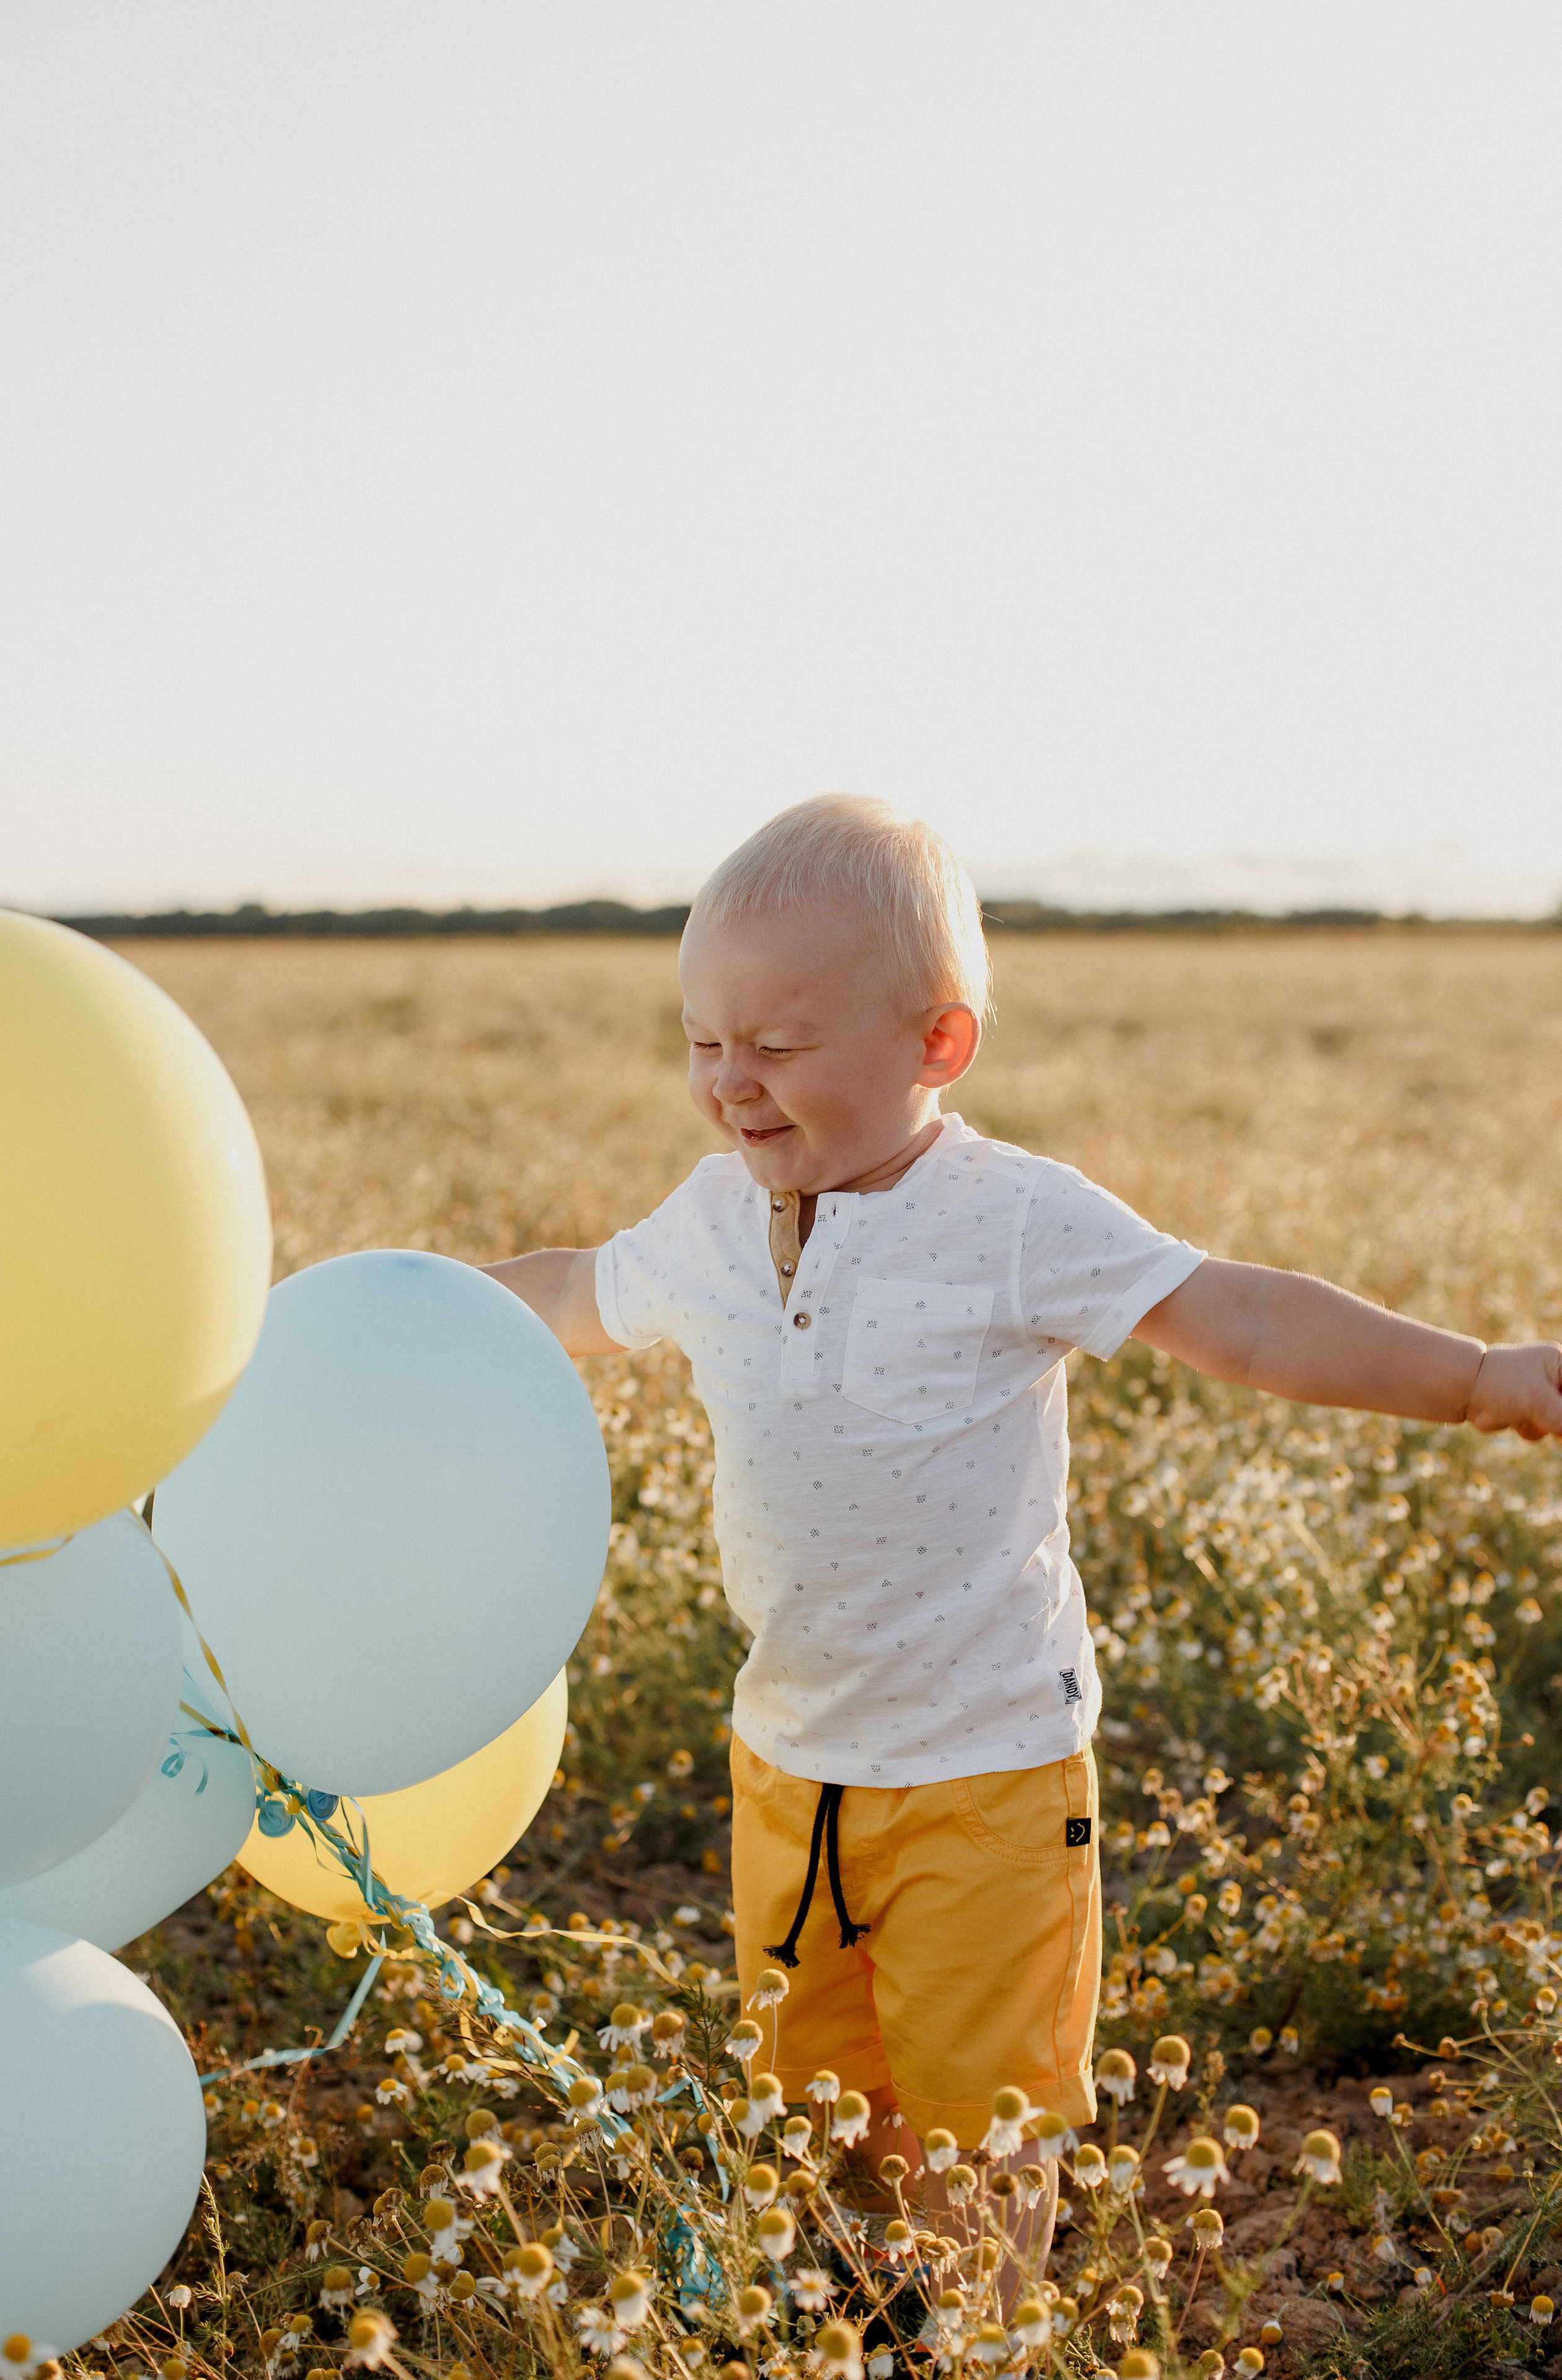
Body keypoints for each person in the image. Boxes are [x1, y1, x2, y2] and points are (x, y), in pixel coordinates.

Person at [483, 793, 1562, 2257]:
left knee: (979, 2126)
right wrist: (390, 1316)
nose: (730, 1083)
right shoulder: (704, 1223)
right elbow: (561, 1297)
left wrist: (1475, 1380)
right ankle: (861, 2326)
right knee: (813, 2114)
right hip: (788, 1765)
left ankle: (980, 2334)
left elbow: (1235, 1316)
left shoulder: (1011, 1220)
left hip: (986, 1775)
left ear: (938, 1046)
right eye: (701, 1041)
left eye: (780, 1047)